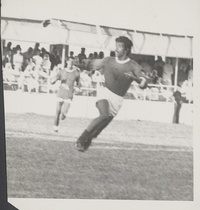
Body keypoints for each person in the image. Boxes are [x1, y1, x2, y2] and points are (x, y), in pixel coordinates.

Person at [75, 36, 148, 152]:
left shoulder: (133, 65)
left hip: (118, 100)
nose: (116, 49)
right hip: (105, 92)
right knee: (103, 115)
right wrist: (79, 63)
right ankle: (81, 139)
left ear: (127, 50)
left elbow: (144, 83)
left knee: (98, 130)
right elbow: (91, 64)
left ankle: (87, 140)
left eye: (119, 46)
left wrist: (136, 79)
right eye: (116, 46)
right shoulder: (108, 61)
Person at [50, 57, 81, 132]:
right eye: (69, 61)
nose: (70, 63)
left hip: (69, 94)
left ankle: (64, 115)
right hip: (61, 93)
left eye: (72, 62)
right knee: (57, 111)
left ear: (73, 63)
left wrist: (77, 88)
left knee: (63, 114)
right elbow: (53, 80)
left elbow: (79, 84)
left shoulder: (76, 73)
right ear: (67, 62)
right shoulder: (62, 71)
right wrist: (53, 80)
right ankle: (55, 127)